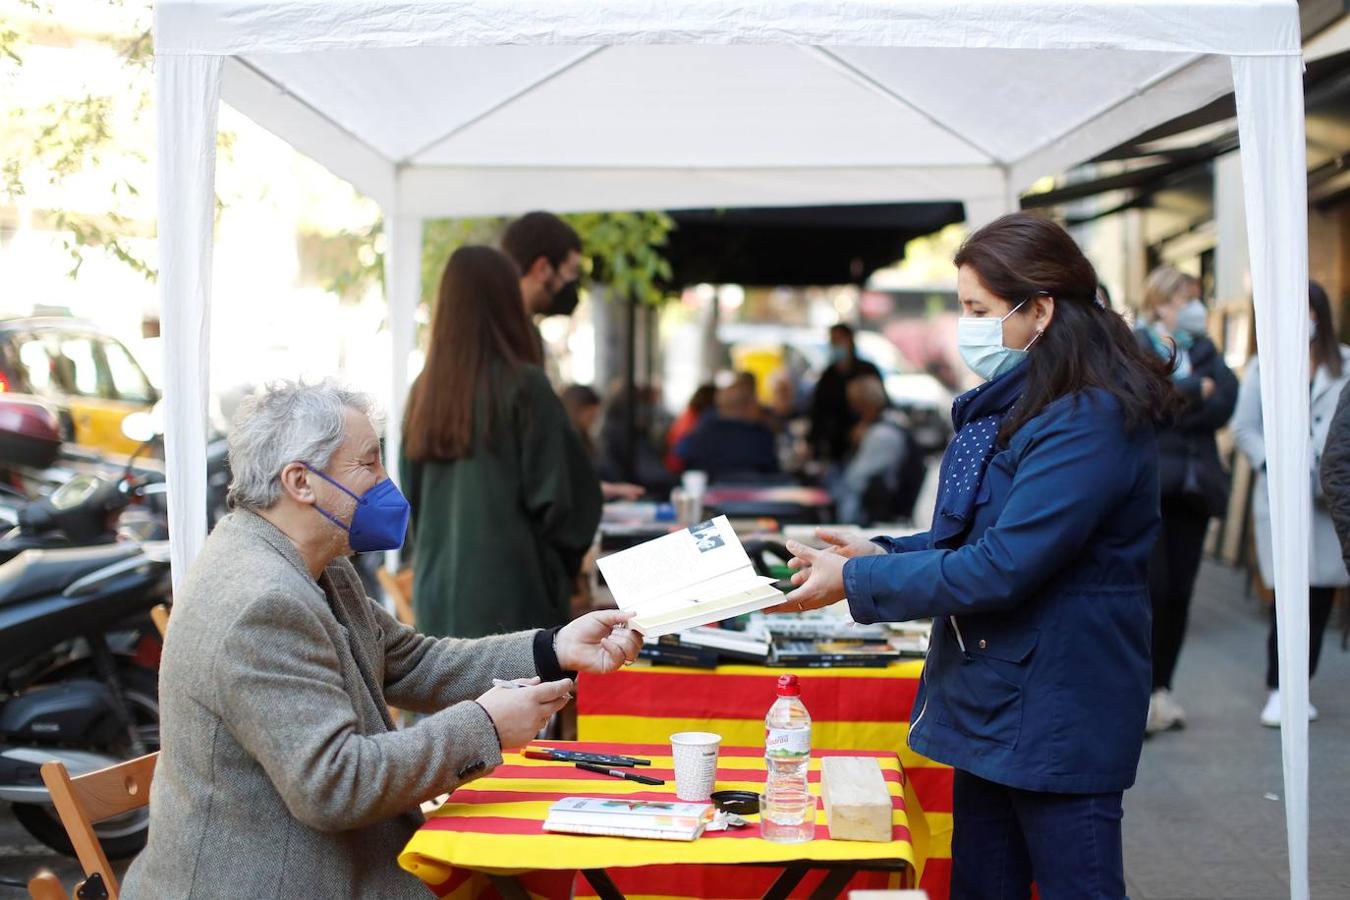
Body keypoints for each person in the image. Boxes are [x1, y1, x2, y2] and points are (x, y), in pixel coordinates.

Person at [775, 213, 1177, 897]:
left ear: (1041, 309)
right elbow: (978, 536)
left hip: (1057, 704)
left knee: (1076, 882)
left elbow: (1004, 564)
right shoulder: (1030, 404)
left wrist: (860, 578)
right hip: (998, 693)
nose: (968, 329)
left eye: (978, 310)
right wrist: (879, 552)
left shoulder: (1087, 419)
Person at [121, 381, 642, 899]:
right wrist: (485, 726)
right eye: (368, 464)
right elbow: (334, 785)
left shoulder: (315, 561)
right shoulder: (260, 602)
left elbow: (408, 661)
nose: (385, 481)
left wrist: (552, 649)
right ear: (301, 482)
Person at [401, 246, 602, 639]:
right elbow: (565, 502)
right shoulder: (524, 386)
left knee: (448, 700)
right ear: (506, 301)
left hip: (438, 595)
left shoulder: (423, 391)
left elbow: (412, 498)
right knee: (524, 700)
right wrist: (557, 571)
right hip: (513, 598)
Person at [1234, 280, 1350, 727]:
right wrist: (1271, 462)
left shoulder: (1343, 364)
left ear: (1318, 313)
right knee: (1286, 596)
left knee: (1319, 596)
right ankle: (1280, 687)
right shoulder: (1263, 367)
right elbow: (1245, 428)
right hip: (1282, 499)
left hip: (1325, 501)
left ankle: (1303, 684)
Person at [1133, 265, 1238, 734]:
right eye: (1181, 299)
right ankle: (1140, 692)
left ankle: (1163, 690)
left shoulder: (1206, 348)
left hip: (1196, 488)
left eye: (1195, 298)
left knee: (1179, 593)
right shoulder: (1137, 344)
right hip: (1152, 489)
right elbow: (1147, 403)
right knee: (1152, 591)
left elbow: (1225, 402)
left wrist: (1182, 402)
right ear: (1159, 303)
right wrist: (1196, 390)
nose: (1191, 308)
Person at [674, 373, 780, 482]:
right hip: (757, 491)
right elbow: (774, 470)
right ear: (748, 406)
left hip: (712, 490)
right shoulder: (760, 435)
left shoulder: (705, 430)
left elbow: (682, 452)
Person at [834, 375, 909, 525]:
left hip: (872, 519)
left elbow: (855, 480)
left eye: (854, 404)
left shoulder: (881, 435)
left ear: (863, 405)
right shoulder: (890, 425)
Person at [807, 323, 884, 465]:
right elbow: (818, 412)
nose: (836, 345)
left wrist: (865, 426)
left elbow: (881, 404)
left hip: (864, 444)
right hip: (836, 447)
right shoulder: (828, 376)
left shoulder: (867, 370)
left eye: (839, 340)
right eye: (833, 341)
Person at [560, 383, 644, 501]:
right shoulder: (563, 441)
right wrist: (616, 490)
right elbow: (574, 485)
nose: (592, 422)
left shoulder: (585, 439)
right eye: (590, 416)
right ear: (576, 410)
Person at [664, 383, 716, 474]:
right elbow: (682, 449)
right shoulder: (702, 419)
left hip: (674, 461)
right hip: (680, 465)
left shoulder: (689, 413)